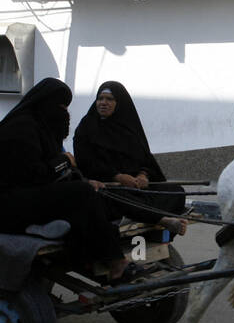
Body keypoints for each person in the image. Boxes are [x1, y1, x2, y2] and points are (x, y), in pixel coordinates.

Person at [0, 78, 139, 281]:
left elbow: (48, 173)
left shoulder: (41, 129)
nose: (64, 112)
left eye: (66, 107)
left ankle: (90, 257)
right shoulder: (19, 130)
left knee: (93, 195)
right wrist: (63, 162)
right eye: (60, 106)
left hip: (20, 195)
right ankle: (115, 261)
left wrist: (81, 178)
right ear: (44, 104)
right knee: (81, 194)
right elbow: (32, 175)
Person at [73, 81, 188, 235]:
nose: (103, 103)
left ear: (119, 103)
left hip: (136, 188)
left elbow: (145, 159)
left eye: (109, 99)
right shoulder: (87, 127)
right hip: (109, 185)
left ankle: (138, 213)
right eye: (100, 98)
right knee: (113, 197)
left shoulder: (128, 127)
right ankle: (161, 219)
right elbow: (85, 162)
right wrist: (118, 176)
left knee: (176, 191)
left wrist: (143, 175)